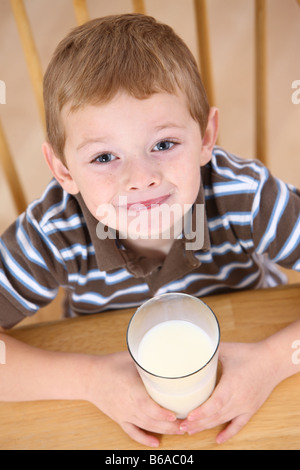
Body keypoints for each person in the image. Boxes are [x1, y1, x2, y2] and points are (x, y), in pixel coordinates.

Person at [0, 13, 299, 448]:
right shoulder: (55, 232)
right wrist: (90, 381)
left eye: (163, 144)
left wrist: (272, 362)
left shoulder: (245, 197)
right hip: (115, 395)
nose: (141, 178)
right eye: (104, 157)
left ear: (206, 137)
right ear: (63, 170)